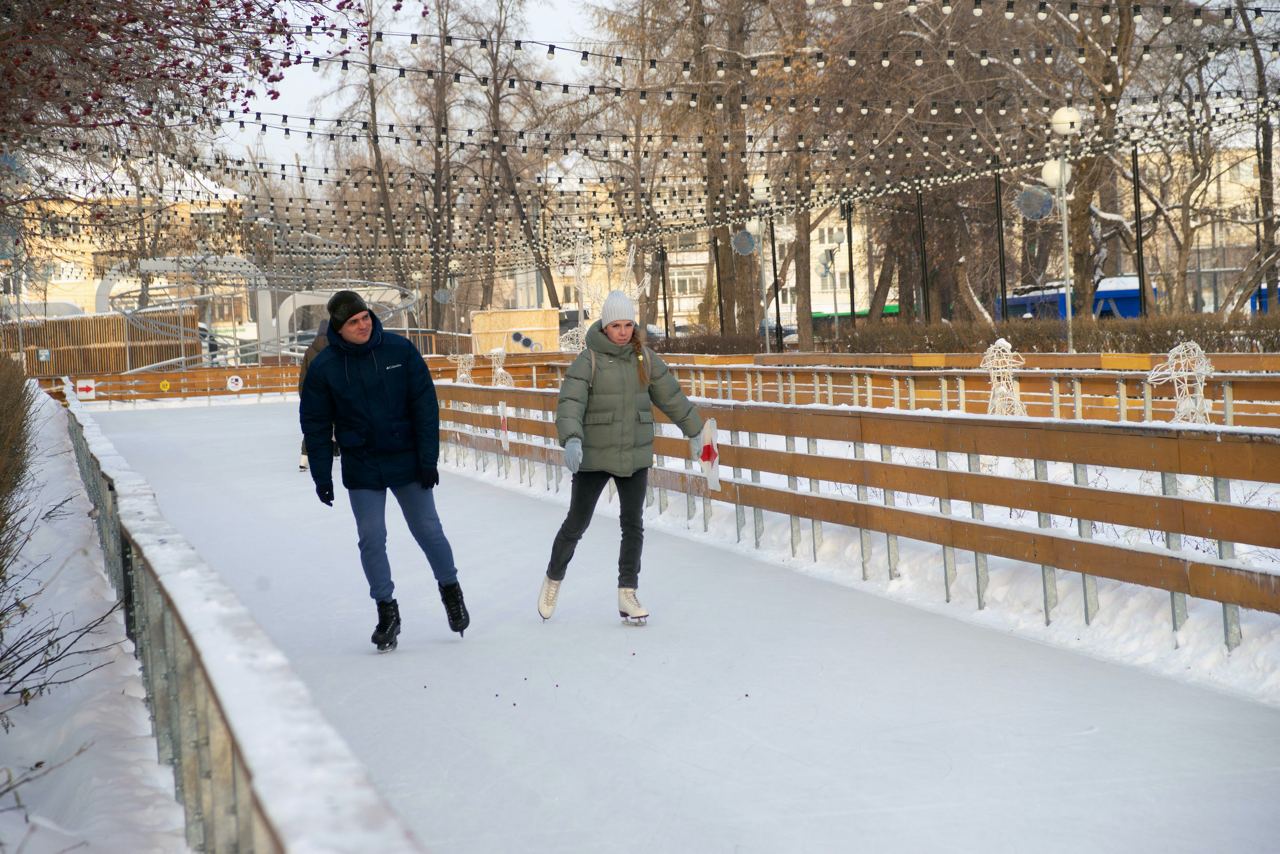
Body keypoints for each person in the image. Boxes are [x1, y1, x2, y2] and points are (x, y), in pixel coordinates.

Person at [300, 290, 469, 651]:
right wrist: (321, 474)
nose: (362, 325)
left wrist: (428, 460)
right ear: (339, 328)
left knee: (428, 530)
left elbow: (425, 407)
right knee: (372, 538)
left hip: (406, 458)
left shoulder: (399, 351)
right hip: (362, 463)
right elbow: (315, 424)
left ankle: (450, 589)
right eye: (353, 322)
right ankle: (386, 610)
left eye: (365, 318)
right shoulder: (325, 366)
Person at [539, 290, 704, 625]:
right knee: (577, 523)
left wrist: (695, 430)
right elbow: (570, 403)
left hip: (634, 453)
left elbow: (671, 395)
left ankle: (627, 593)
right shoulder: (589, 360)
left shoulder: (644, 358)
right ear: (604, 326)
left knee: (633, 525)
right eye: (616, 325)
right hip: (594, 456)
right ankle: (553, 579)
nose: (624, 331)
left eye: (629, 324)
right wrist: (572, 439)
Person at [297, 320, 334, 471]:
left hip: (314, 396)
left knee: (314, 428)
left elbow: (303, 377)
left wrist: (304, 395)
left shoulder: (309, 351)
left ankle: (304, 459)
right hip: (333, 395)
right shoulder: (335, 350)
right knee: (342, 424)